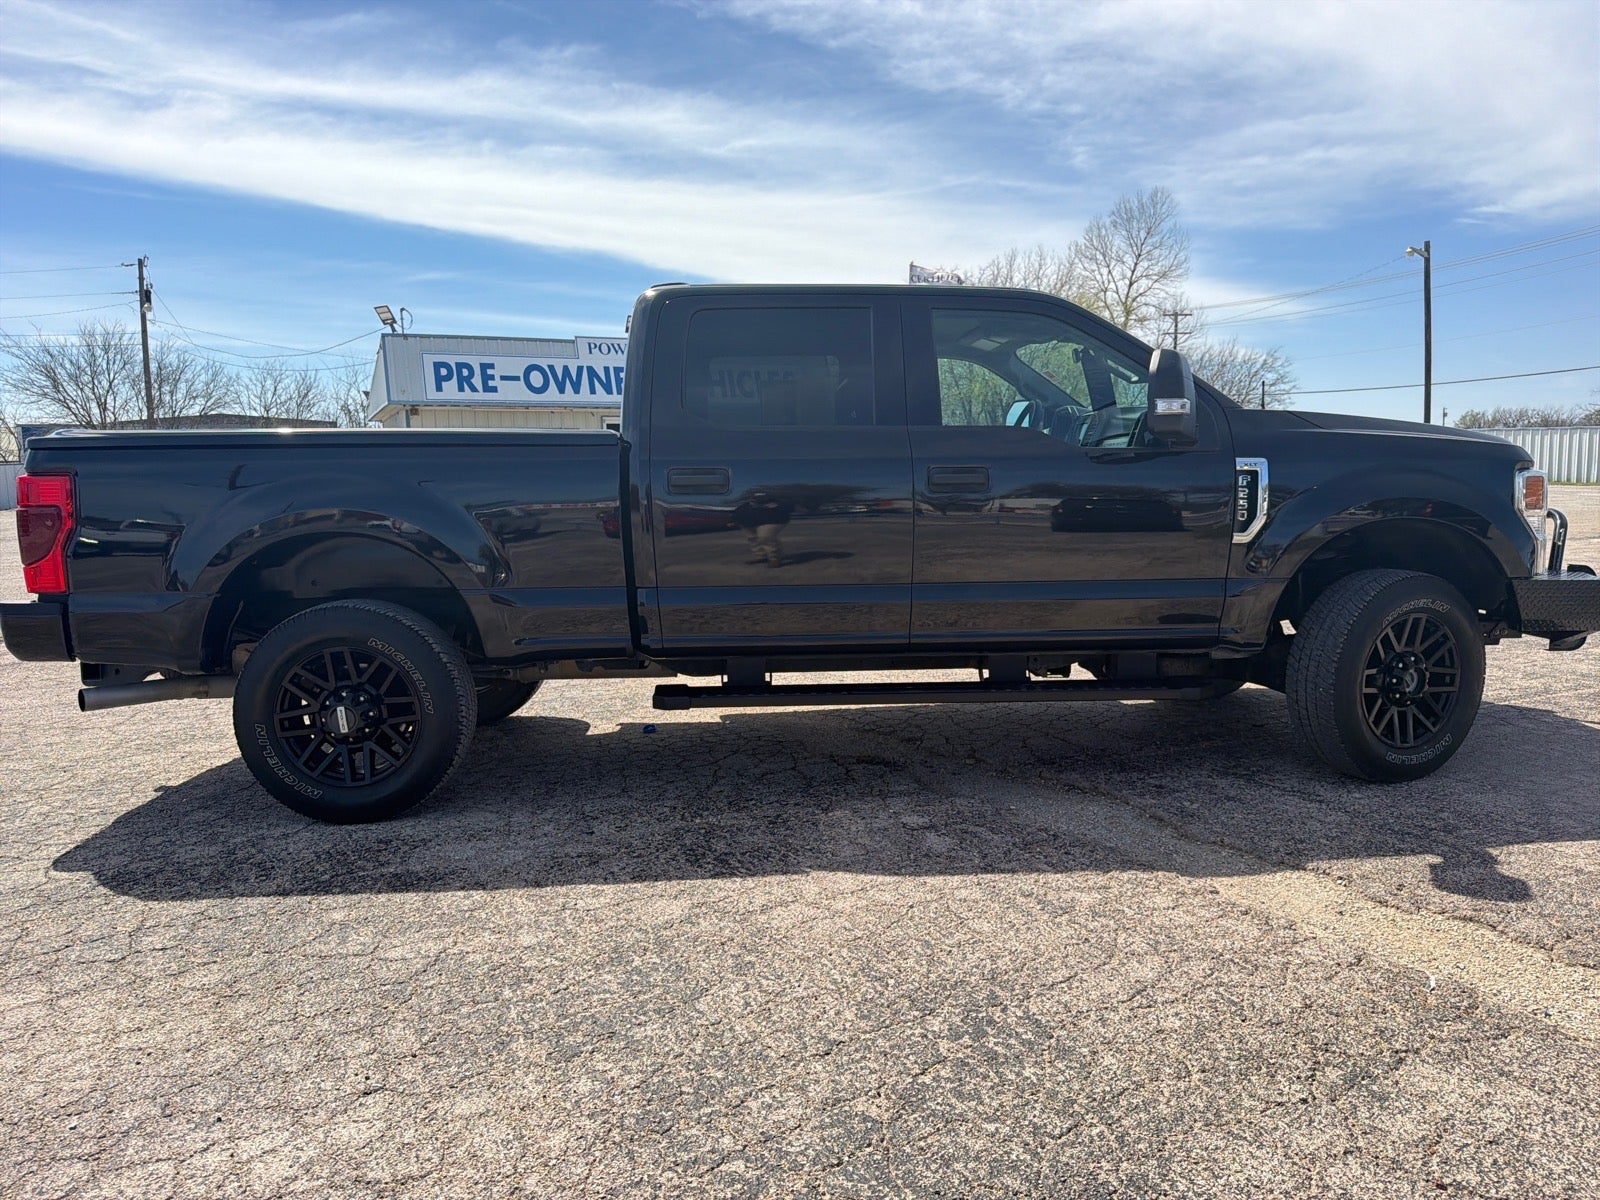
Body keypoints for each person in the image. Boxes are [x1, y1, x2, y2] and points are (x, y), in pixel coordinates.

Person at [732, 491, 792, 567]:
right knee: (753, 539)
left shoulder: (778, 503)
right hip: (748, 524)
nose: (758, 500)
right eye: (756, 498)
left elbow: (790, 507)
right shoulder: (745, 505)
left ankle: (775, 558)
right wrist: (733, 521)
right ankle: (762, 556)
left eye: (762, 498)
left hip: (772, 522)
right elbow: (737, 513)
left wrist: (777, 506)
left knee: (766, 537)